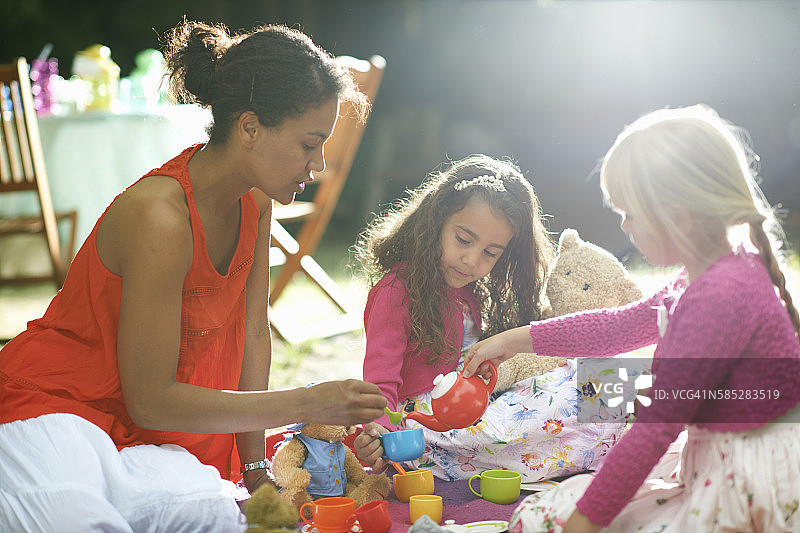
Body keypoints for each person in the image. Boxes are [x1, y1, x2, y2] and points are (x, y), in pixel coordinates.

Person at [0, 19, 387, 533]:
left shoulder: (255, 200)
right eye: (309, 143)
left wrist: (254, 471)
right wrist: (308, 401)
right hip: (52, 412)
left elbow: (253, 335)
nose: (317, 164)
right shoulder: (160, 216)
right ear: (249, 128)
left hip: (141, 440)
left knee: (215, 515)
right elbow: (150, 396)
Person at [464, 105, 800, 532]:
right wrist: (510, 340)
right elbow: (615, 327)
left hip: (748, 485)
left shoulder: (721, 295)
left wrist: (585, 521)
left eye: (629, 213)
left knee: (547, 518)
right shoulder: (703, 276)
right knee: (545, 508)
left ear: (677, 215)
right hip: (718, 457)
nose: (624, 225)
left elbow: (655, 428)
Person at [352, 155, 630, 482]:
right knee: (585, 398)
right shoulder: (396, 291)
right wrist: (380, 433)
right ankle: (609, 443)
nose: (471, 260)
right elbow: (379, 383)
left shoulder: (466, 289)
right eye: (464, 240)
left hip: (480, 409)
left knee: (602, 376)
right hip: (429, 428)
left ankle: (611, 437)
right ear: (436, 220)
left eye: (490, 252)